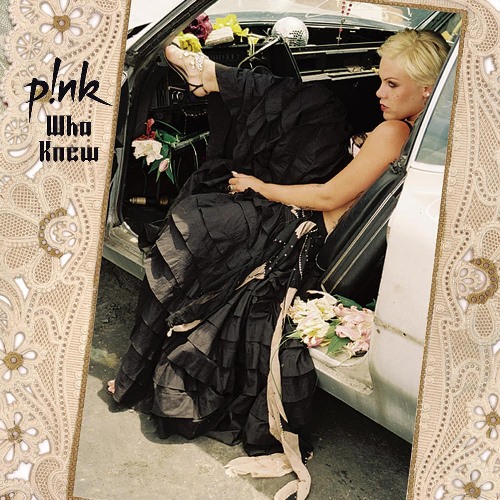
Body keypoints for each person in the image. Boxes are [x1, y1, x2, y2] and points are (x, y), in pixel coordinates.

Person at [107, 29, 449, 498]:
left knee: (198, 220)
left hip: (301, 236)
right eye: (380, 81)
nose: (378, 93)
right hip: (318, 227)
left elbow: (327, 196)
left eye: (392, 85)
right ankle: (216, 77)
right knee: (310, 106)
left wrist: (258, 186)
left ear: (428, 90)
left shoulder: (394, 132)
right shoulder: (421, 134)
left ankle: (215, 76)